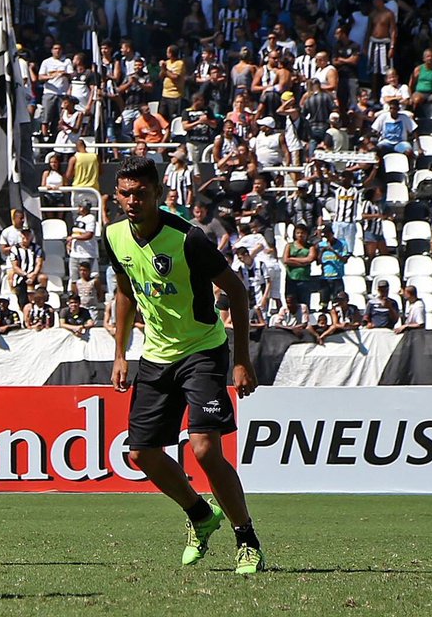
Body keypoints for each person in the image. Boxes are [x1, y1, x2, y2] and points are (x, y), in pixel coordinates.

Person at [106, 156, 264, 575]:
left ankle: (246, 540)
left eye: (141, 193)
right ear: (117, 196)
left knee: (205, 449)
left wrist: (242, 361)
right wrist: (120, 353)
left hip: (203, 350)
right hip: (156, 356)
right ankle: (200, 514)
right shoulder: (114, 236)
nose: (132, 201)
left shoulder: (188, 238)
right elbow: (125, 291)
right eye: (125, 194)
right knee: (141, 453)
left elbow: (237, 292)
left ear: (158, 193)